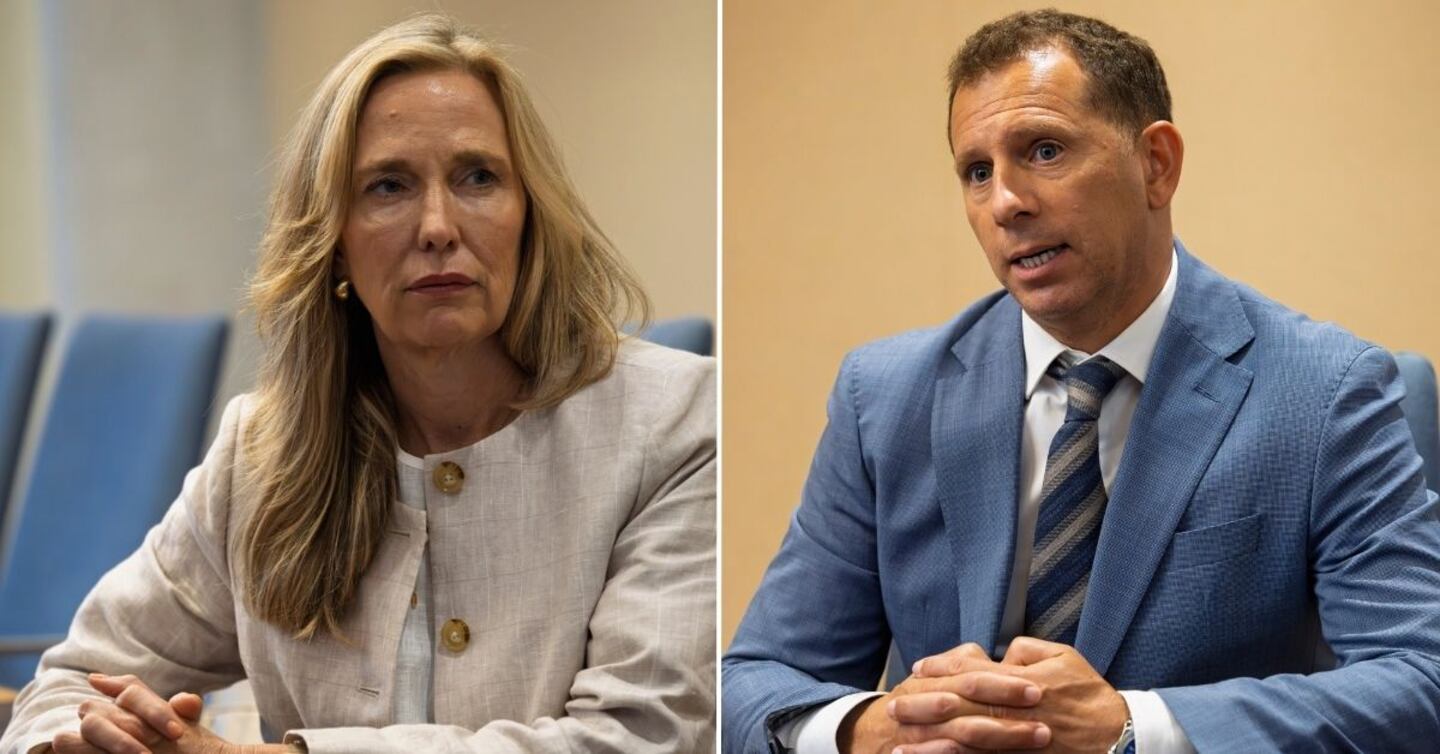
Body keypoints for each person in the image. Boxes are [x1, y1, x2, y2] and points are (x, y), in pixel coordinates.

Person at [723, 9, 1440, 754]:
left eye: (1044, 151)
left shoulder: (1323, 392)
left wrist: (1132, 728)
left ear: (1156, 164)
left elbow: (1421, 677)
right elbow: (754, 682)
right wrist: (869, 730)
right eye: (977, 172)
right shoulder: (884, 397)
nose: (1006, 202)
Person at [1, 13, 715, 754]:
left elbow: (645, 736)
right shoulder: (262, 453)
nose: (438, 226)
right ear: (334, 244)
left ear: (528, 215)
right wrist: (87, 741)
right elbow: (71, 681)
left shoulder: (676, 421)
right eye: (388, 187)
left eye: (477, 177)